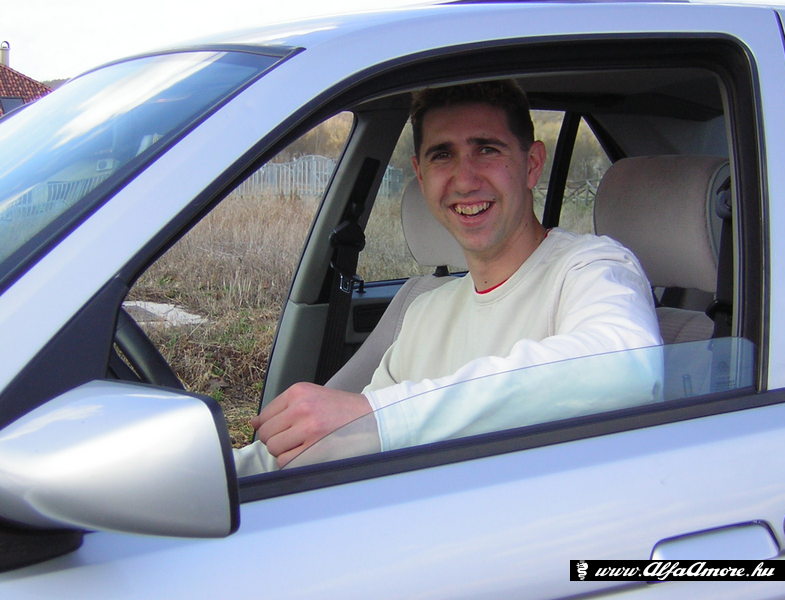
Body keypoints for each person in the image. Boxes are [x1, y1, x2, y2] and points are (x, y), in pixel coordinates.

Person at [234, 80, 662, 475]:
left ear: (532, 165)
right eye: (442, 155)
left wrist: (383, 419)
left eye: (487, 150)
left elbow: (626, 368)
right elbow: (343, 438)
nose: (465, 180)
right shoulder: (424, 312)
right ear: (421, 176)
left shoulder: (591, 267)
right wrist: (222, 479)